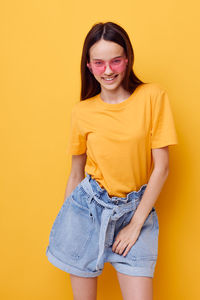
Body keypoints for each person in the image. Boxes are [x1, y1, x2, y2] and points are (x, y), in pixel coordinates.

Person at [46, 21, 178, 300]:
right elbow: (75, 173)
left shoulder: (153, 97)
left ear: (127, 60)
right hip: (87, 209)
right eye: (99, 62)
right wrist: (69, 223)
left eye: (115, 61)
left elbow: (162, 168)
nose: (108, 70)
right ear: (89, 65)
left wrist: (135, 224)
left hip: (135, 210)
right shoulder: (82, 112)